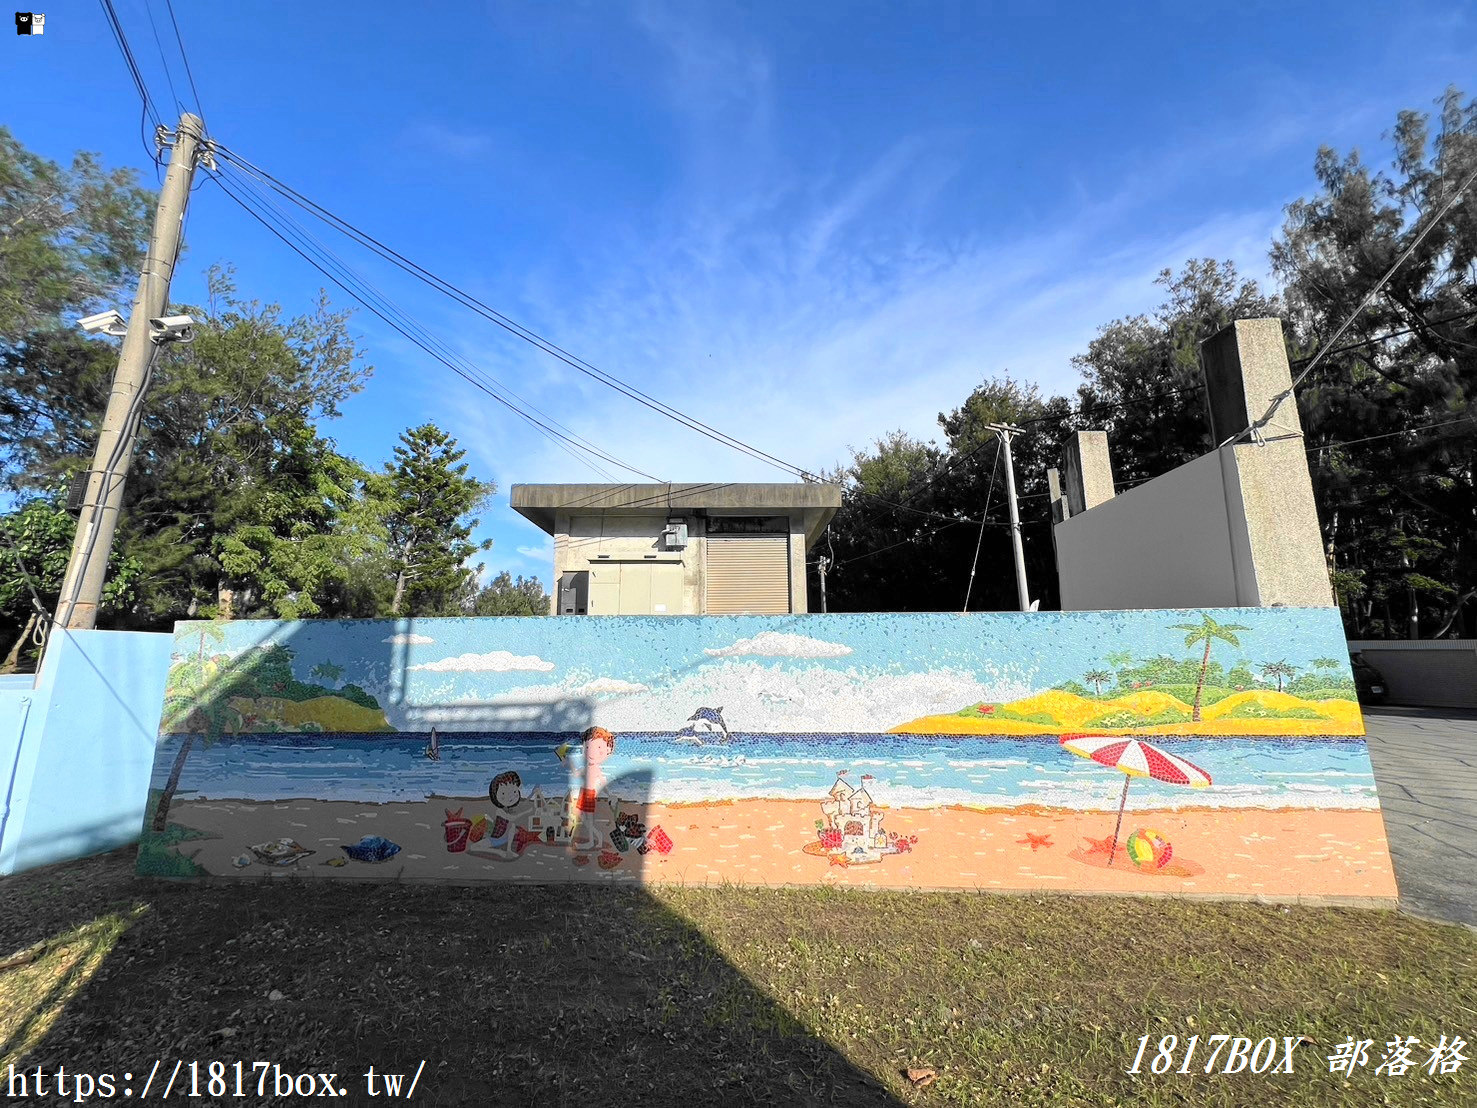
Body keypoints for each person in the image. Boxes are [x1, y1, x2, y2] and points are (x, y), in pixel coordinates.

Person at [570, 726, 615, 853]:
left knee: (588, 819)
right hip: (583, 793)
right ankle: (596, 836)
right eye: (588, 747)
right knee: (581, 816)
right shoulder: (588, 766)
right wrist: (569, 763)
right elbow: (577, 774)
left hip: (589, 795)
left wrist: (610, 794)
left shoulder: (595, 768)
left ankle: (592, 840)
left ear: (608, 750)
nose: (591, 752)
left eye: (598, 748)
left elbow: (603, 782)